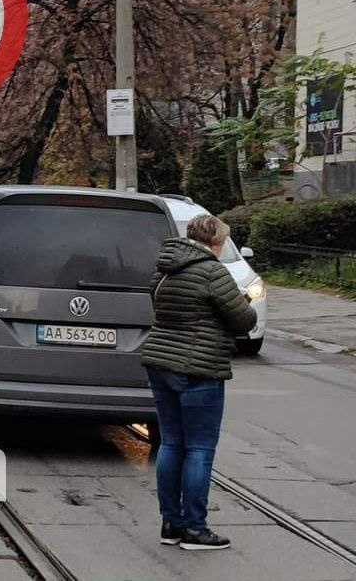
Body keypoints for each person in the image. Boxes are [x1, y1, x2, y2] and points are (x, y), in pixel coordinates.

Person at [142, 213, 257, 552]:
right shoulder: (212, 271)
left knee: (172, 443)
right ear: (215, 241)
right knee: (199, 448)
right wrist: (245, 301)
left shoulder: (164, 269)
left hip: (161, 363)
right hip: (199, 369)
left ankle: (171, 523)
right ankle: (195, 528)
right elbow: (244, 320)